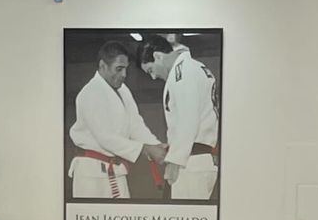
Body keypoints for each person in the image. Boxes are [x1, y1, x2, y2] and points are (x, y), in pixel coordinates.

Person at [69, 38, 155, 199]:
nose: (124, 75)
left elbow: (135, 124)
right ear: (102, 66)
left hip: (116, 170)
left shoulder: (123, 91)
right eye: (119, 69)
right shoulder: (90, 93)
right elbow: (105, 138)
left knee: (122, 219)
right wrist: (145, 149)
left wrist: (155, 145)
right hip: (91, 174)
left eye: (126, 69)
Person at [141, 33, 219, 200]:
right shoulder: (196, 67)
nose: (153, 77)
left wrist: (176, 160)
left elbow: (188, 118)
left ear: (158, 56)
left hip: (190, 163)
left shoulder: (182, 72)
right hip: (197, 159)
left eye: (150, 70)